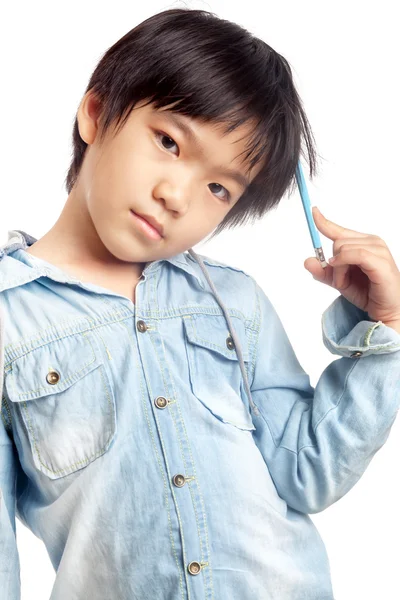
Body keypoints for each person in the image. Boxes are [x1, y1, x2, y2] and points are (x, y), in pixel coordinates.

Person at [1, 8, 400, 600]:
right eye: (168, 142)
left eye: (219, 188)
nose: (176, 196)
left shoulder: (235, 302)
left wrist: (384, 331)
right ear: (96, 113)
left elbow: (306, 471)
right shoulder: (11, 320)